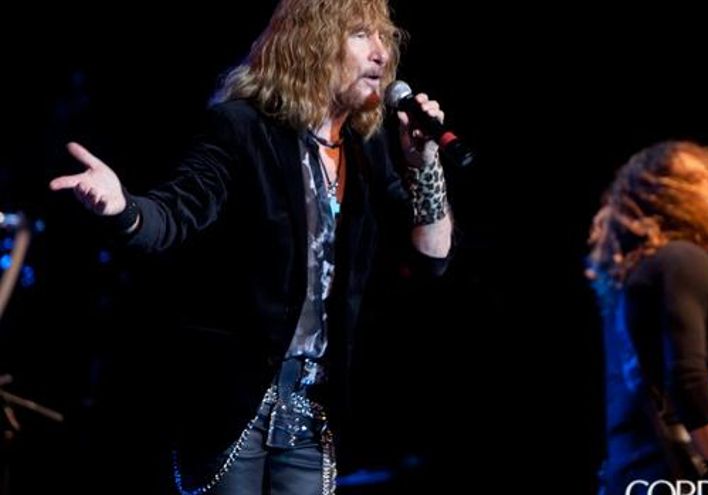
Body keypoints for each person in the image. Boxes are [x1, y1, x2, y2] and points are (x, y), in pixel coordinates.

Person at [48, 0, 453, 493]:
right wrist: (122, 207)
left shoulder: (366, 152)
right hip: (235, 405)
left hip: (312, 407)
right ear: (313, 45)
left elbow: (431, 256)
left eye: (384, 37)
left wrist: (424, 164)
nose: (381, 54)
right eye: (360, 35)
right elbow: (177, 212)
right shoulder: (243, 129)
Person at [586, 141, 708, 494]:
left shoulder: (632, 273)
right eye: (704, 179)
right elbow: (687, 377)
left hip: (630, 472)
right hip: (670, 475)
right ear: (674, 192)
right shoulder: (683, 259)